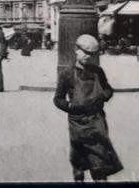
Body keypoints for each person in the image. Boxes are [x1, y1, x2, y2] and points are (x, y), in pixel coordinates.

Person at [53, 34, 124, 182]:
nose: (87, 56)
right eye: (84, 52)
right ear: (75, 50)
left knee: (99, 165)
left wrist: (103, 96)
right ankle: (78, 175)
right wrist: (70, 107)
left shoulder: (98, 71)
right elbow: (58, 99)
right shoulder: (66, 74)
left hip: (96, 122)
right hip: (77, 124)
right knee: (78, 162)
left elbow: (108, 89)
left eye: (91, 54)